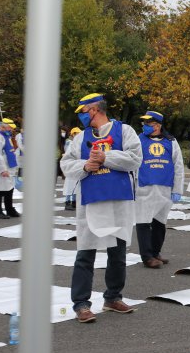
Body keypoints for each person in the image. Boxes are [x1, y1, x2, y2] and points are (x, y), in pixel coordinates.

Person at [61, 93, 142, 323]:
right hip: (91, 201)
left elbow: (135, 159)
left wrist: (106, 157)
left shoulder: (124, 131)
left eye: (83, 112)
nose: (82, 117)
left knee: (117, 254)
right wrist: (86, 165)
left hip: (118, 202)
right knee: (85, 254)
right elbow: (66, 164)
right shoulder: (80, 138)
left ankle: (113, 297)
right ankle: (81, 304)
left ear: (94, 110)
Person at [135, 111, 184, 268]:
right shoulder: (138, 140)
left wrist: (177, 189)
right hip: (144, 187)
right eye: (144, 124)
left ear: (157, 125)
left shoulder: (171, 141)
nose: (145, 126)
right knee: (143, 221)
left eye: (148, 124)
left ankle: (156, 252)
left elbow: (178, 165)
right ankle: (147, 257)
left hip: (164, 188)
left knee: (160, 223)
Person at [0, 119, 20, 218]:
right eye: (10, 128)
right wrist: (2, 169)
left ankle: (9, 209)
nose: (12, 130)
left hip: (8, 166)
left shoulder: (6, 136)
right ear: (4, 127)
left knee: (9, 189)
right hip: (0, 168)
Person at [63, 127, 82, 211]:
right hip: (71, 166)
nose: (78, 135)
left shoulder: (77, 143)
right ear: (73, 134)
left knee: (75, 185)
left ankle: (74, 202)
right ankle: (67, 202)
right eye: (77, 133)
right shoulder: (70, 143)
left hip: (76, 166)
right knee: (69, 186)